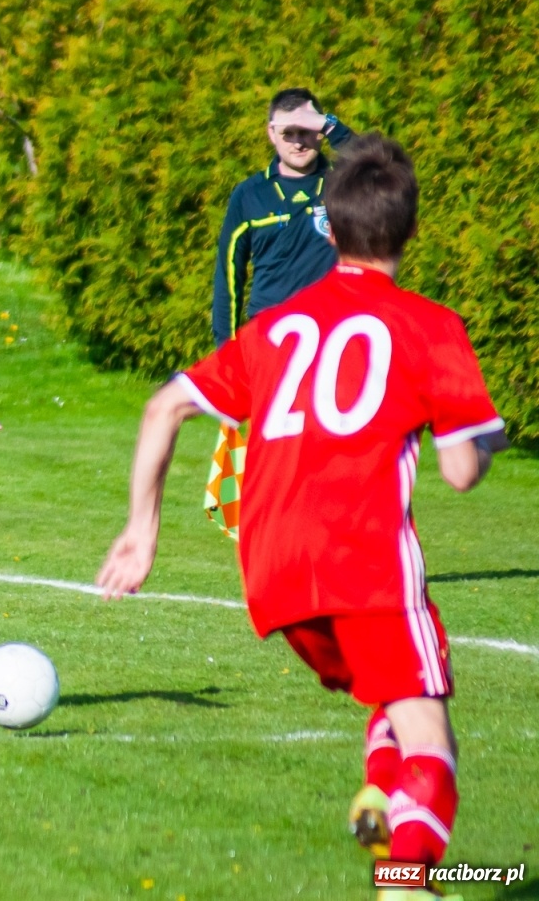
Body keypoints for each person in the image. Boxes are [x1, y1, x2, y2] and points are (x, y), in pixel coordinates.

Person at [99, 134, 505, 899]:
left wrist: (140, 533)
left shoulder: (282, 326)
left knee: (387, 699)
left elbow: (164, 407)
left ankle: (380, 798)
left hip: (274, 574)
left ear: (328, 227)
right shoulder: (429, 325)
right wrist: (487, 438)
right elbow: (457, 470)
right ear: (411, 230)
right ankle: (404, 883)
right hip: (367, 563)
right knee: (433, 744)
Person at [204, 89, 355, 537]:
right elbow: (228, 277)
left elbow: (385, 171)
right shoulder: (248, 196)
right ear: (271, 134)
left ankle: (329, 542)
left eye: (308, 133)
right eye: (289, 132)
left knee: (336, 453)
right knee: (277, 456)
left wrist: (330, 123)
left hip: (336, 344)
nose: (299, 142)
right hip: (272, 349)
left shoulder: (343, 183)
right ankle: (280, 542)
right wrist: (227, 355)